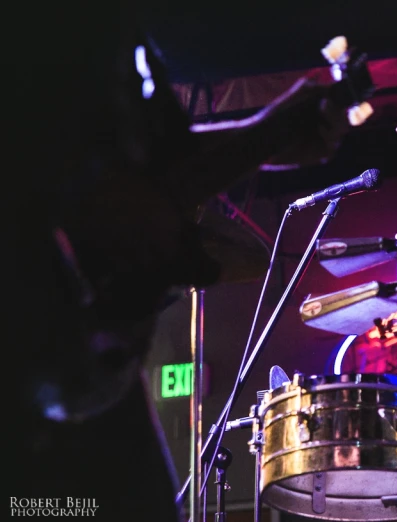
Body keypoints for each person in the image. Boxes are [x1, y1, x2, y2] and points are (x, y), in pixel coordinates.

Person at [9, 3, 359, 521]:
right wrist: (264, 135)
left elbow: (152, 163)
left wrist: (270, 139)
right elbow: (101, 194)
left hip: (94, 359)